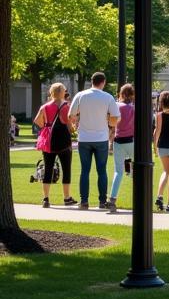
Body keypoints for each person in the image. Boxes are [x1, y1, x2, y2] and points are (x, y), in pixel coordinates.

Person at [69, 72, 120, 210]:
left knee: (85, 170)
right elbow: (115, 118)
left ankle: (84, 201)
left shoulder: (80, 95)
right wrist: (109, 126)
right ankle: (102, 201)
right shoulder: (108, 97)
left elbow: (71, 115)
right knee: (101, 170)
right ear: (103, 82)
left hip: (84, 138)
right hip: (101, 138)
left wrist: (76, 123)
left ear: (91, 81)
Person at [33, 83, 75, 208]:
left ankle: (45, 199)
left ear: (51, 93)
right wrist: (73, 130)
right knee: (66, 169)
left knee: (48, 169)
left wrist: (46, 127)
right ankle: (67, 198)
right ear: (62, 92)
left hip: (49, 142)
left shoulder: (45, 106)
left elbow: (37, 121)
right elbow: (69, 125)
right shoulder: (66, 106)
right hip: (64, 141)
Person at [108, 84, 135, 211]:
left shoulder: (116, 106)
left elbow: (112, 124)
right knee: (137, 170)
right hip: (131, 140)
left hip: (118, 141)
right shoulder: (133, 108)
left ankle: (112, 199)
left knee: (118, 172)